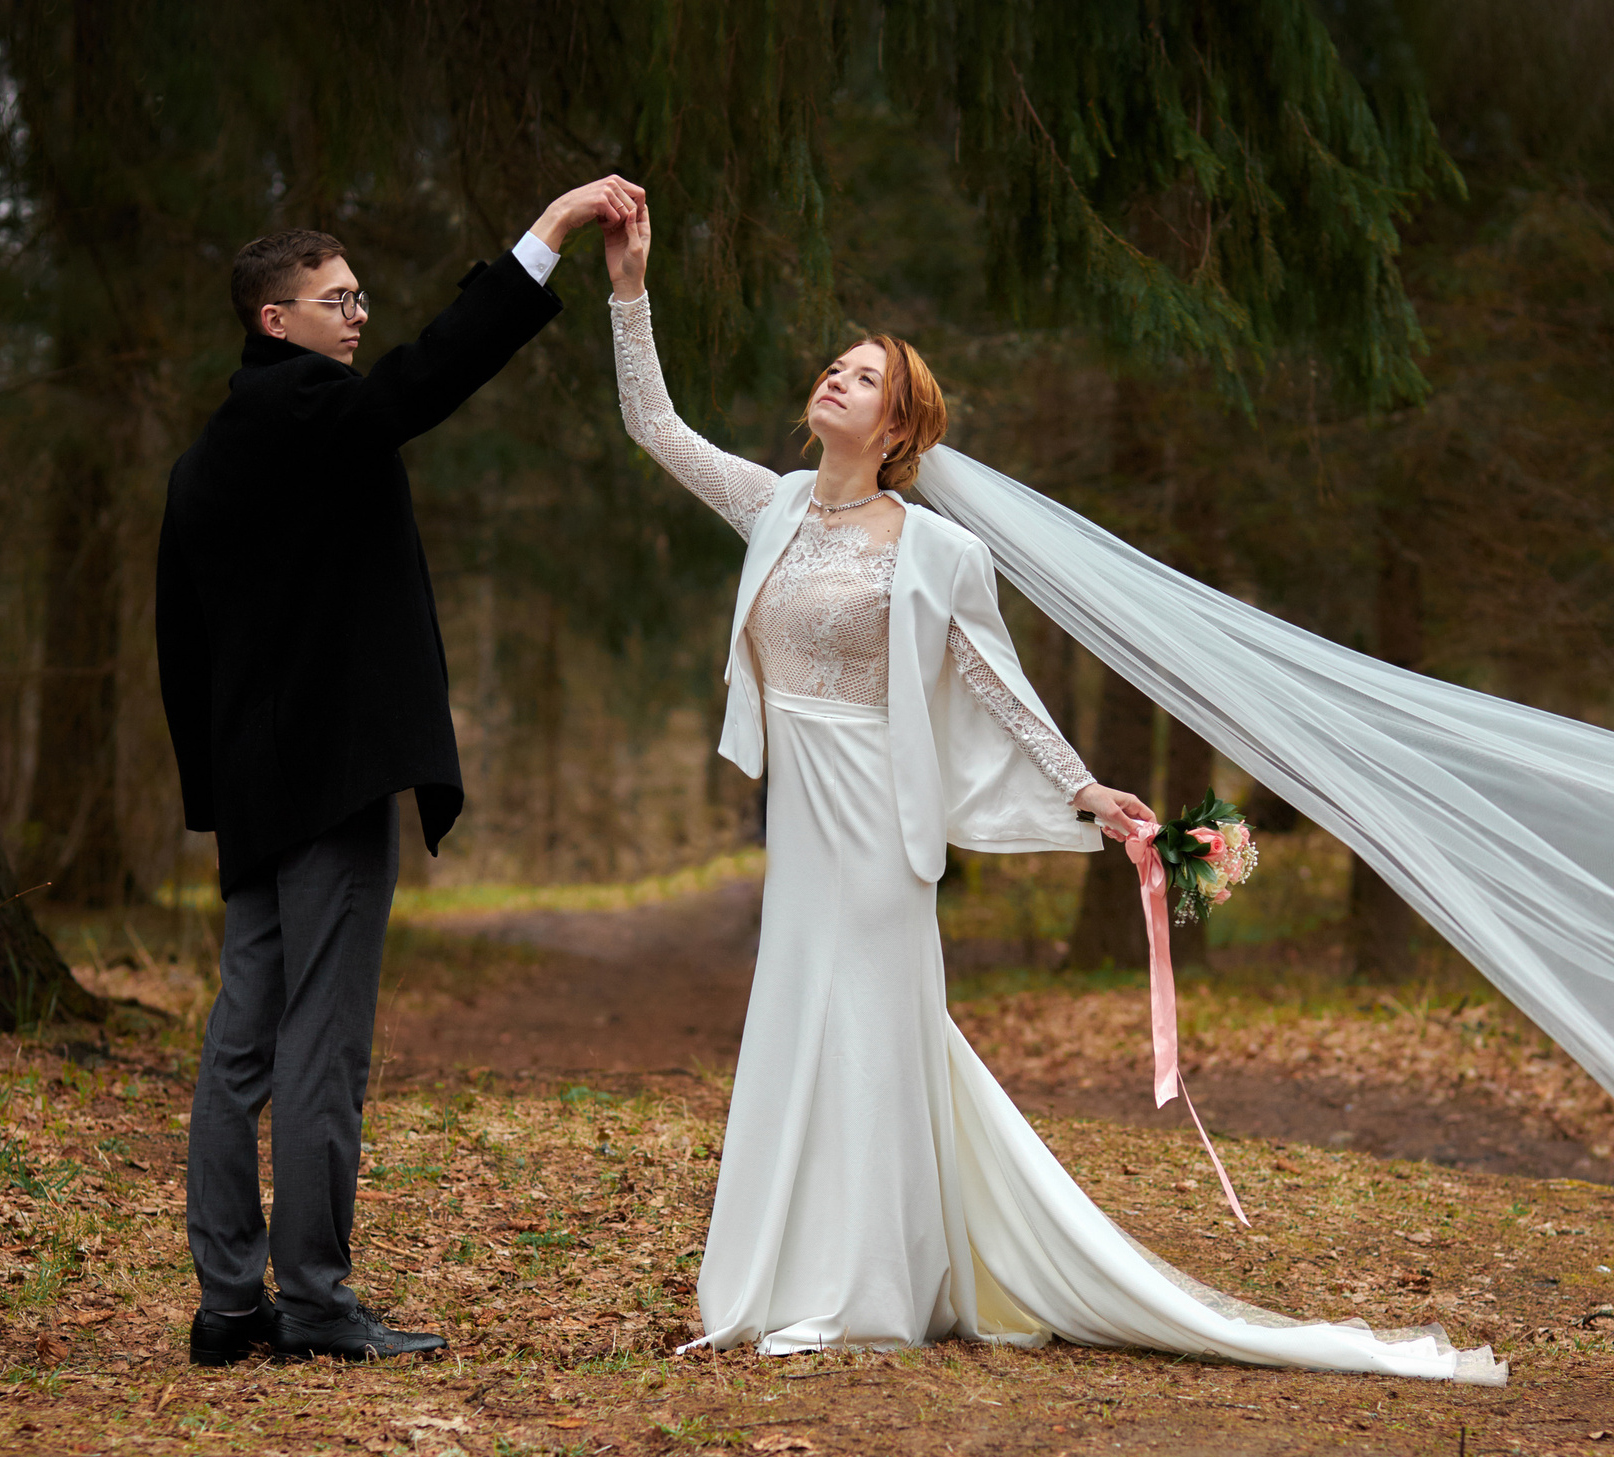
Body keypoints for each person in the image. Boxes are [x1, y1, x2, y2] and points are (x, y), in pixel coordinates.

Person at [601, 203, 1503, 1382]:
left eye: (864, 374)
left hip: (878, 830)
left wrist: (1085, 792)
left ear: (899, 423)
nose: (837, 376)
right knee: (801, 1025)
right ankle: (799, 1272)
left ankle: (865, 1287)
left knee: (869, 1027)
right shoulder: (767, 504)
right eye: (835, 364)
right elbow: (654, 424)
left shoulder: (935, 551)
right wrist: (630, 289)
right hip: (802, 825)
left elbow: (996, 684)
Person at [157, 177, 644, 1365]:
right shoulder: (311, 411)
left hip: (260, 796)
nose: (358, 317)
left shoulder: (208, 457)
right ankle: (315, 1303)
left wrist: (217, 801)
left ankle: (230, 1304)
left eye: (359, 297)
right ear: (276, 321)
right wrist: (547, 234)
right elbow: (432, 375)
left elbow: (182, 641)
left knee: (241, 1043)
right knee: (322, 1044)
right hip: (326, 787)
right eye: (336, 300)